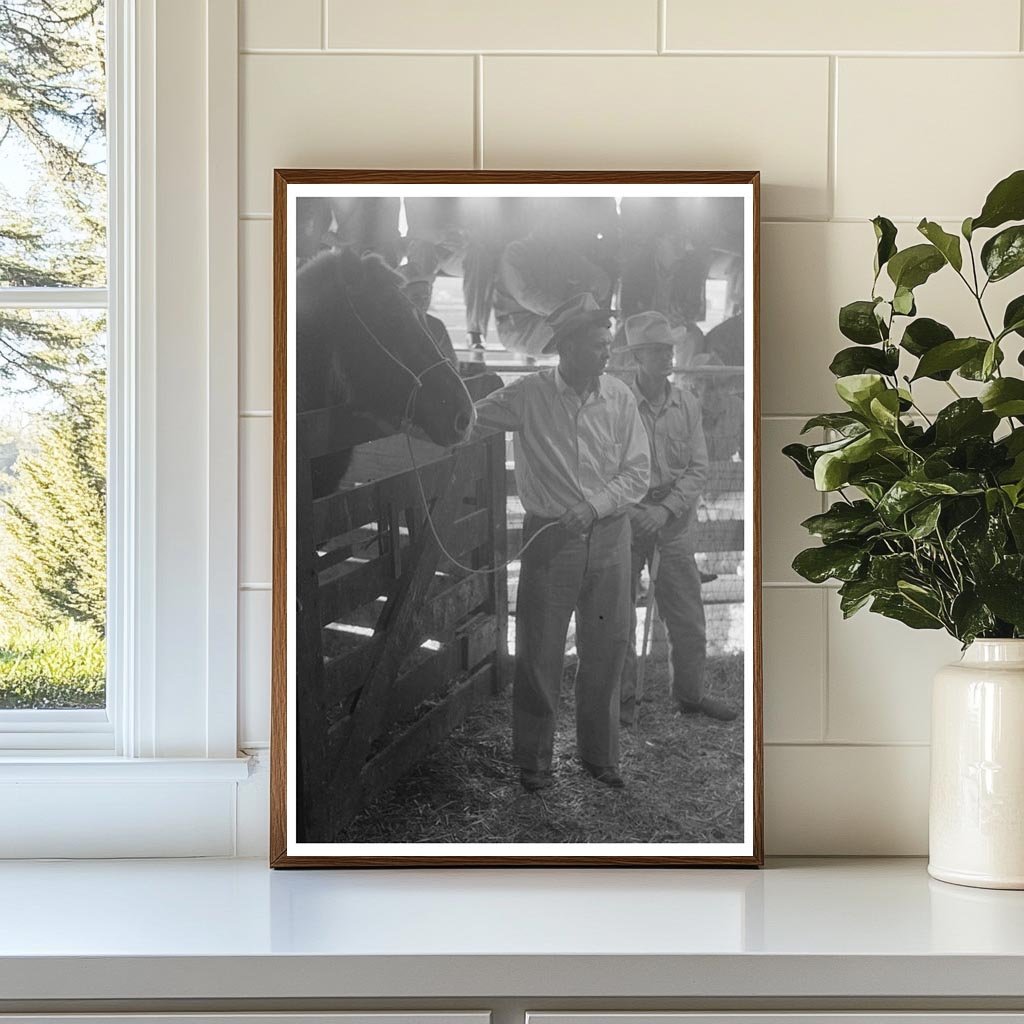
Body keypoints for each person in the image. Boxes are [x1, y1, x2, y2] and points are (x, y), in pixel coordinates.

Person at [474, 294, 650, 792]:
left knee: (608, 646)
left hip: (611, 539)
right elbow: (467, 421)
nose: (606, 355)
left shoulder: (618, 397)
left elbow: (638, 472)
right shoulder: (528, 395)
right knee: (539, 651)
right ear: (567, 348)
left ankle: (600, 756)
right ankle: (534, 762)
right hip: (551, 541)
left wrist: (593, 506)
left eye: (607, 345)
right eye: (597, 345)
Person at [619, 311, 737, 725]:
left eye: (669, 350)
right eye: (657, 351)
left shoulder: (685, 402)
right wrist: (636, 512)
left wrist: (665, 510)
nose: (668, 357)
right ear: (637, 356)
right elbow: (603, 468)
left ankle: (689, 696)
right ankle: (621, 705)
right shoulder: (618, 403)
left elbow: (697, 468)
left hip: (673, 523)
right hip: (626, 521)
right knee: (618, 615)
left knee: (687, 616)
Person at [491, 200, 613, 359]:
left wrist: (595, 292)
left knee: (587, 330)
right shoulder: (516, 252)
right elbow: (527, 295)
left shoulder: (564, 254)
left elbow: (598, 276)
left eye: (559, 221)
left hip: (558, 321)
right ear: (537, 221)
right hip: (519, 328)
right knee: (580, 331)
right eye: (551, 220)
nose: (556, 226)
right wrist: (571, 311)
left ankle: (584, 375)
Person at [399, 266, 459, 369]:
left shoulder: (436, 326)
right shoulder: (389, 326)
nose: (423, 303)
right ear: (401, 297)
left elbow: (452, 366)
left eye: (426, 297)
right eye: (415, 298)